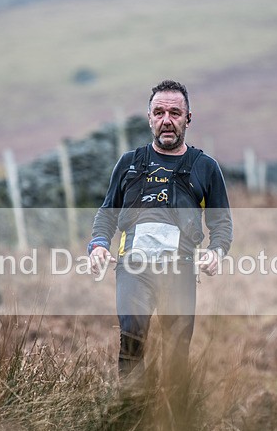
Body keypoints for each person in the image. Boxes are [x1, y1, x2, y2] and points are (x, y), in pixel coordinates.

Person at [88, 80, 233, 378]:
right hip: (133, 268)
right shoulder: (129, 164)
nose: (167, 120)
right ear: (150, 118)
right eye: (159, 112)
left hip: (180, 271)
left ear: (188, 118)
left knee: (177, 352)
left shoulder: (205, 167)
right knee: (132, 336)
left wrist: (216, 252)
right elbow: (107, 213)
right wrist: (99, 244)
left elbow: (221, 223)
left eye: (175, 113)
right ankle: (130, 416)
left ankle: (175, 422)